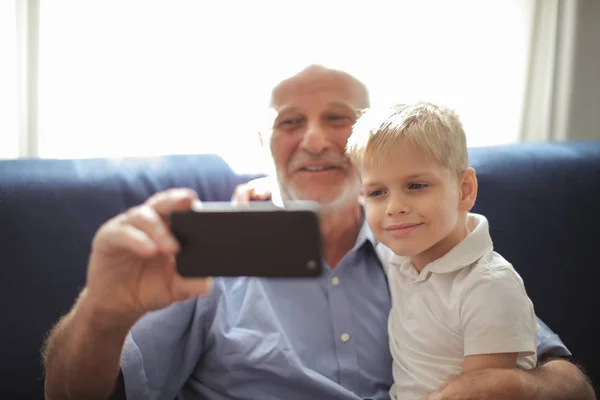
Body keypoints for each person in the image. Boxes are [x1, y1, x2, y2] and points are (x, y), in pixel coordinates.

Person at [42, 65, 596, 400]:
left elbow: (566, 379)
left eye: (339, 119)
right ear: (264, 145)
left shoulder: (428, 244)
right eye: (289, 122)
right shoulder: (207, 250)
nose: (313, 140)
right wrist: (102, 311)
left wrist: (521, 387)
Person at [345, 101, 538, 399]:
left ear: (465, 190)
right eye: (377, 192)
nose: (394, 208)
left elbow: (483, 392)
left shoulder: (488, 285)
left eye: (416, 186)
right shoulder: (397, 255)